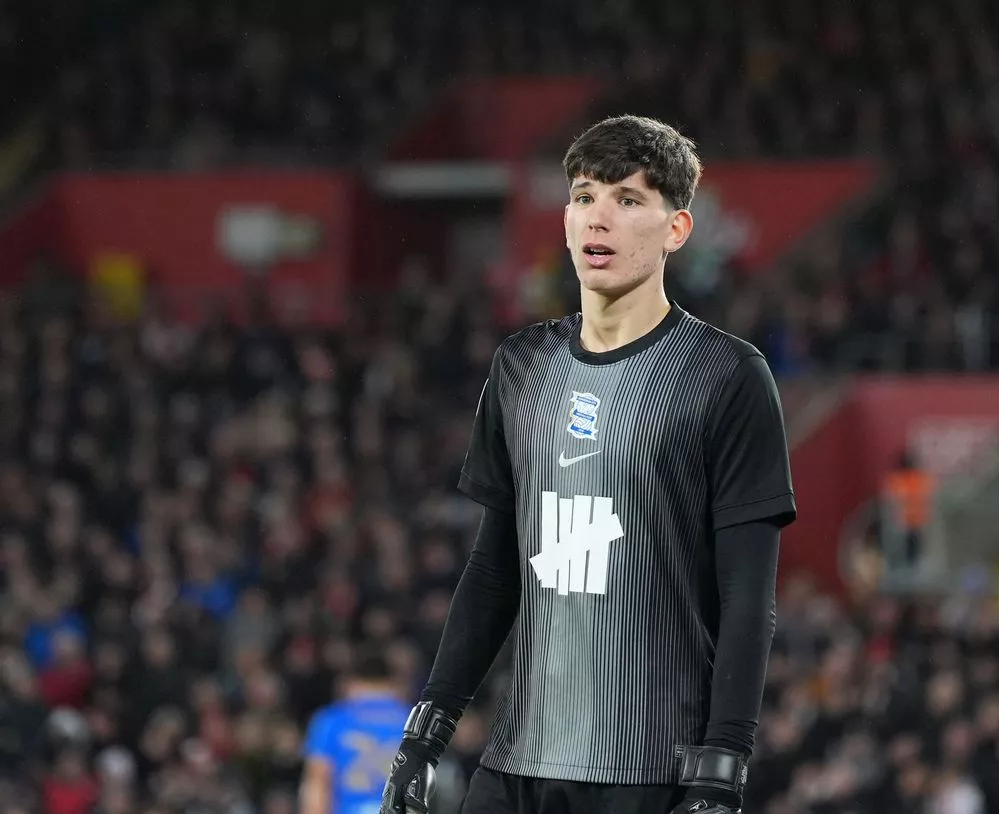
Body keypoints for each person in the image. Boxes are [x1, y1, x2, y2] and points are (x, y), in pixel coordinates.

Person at [380, 115, 796, 814]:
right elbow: (493, 572)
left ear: (676, 230)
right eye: (583, 196)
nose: (597, 217)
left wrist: (723, 769)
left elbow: (749, 598)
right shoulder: (520, 368)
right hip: (516, 767)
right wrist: (424, 734)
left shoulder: (726, 375)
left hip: (651, 771)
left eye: (627, 200)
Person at [301, 650, 411, 814]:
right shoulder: (412, 719)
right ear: (393, 682)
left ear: (350, 682)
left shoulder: (332, 720)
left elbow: (318, 781)